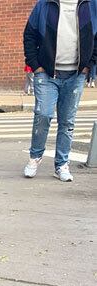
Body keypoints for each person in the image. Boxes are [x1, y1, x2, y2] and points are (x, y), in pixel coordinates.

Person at [23, 0, 97, 182]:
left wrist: (89, 65)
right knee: (43, 115)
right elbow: (29, 34)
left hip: (76, 74)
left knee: (67, 121)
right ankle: (35, 157)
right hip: (47, 73)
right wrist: (35, 65)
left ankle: (61, 164)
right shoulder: (45, 4)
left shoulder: (90, 5)